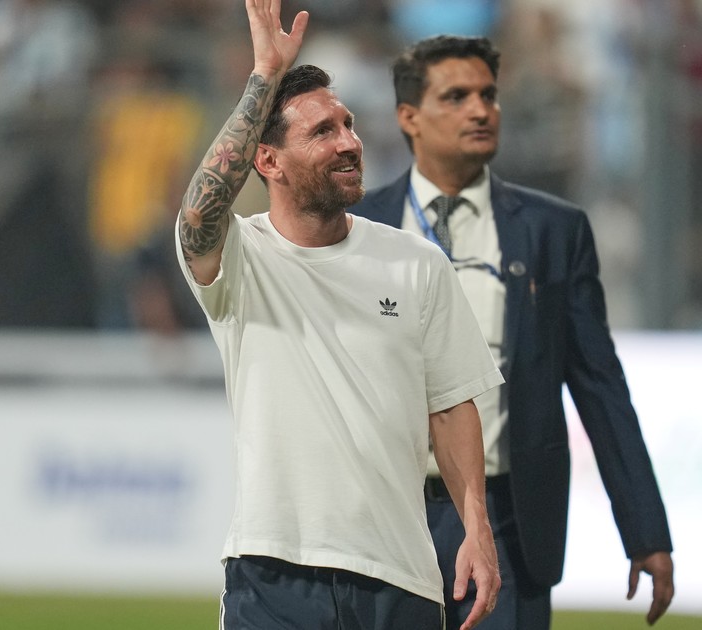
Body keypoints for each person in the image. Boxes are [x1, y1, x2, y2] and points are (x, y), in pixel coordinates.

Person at [176, 2, 502, 629]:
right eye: (322, 132)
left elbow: (450, 406)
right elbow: (197, 215)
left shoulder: (416, 263)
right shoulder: (241, 259)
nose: (349, 142)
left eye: (348, 124)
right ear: (267, 161)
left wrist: (476, 528)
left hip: (399, 577)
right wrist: (264, 77)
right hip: (272, 573)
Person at [349, 34, 675, 629]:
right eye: (457, 96)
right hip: (383, 513)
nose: (481, 110)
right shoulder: (357, 227)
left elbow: (599, 386)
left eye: (488, 95)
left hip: (507, 516)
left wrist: (645, 530)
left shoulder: (554, 230)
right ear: (409, 117)